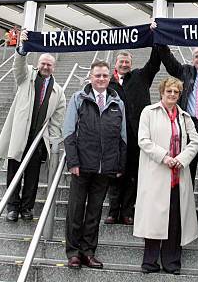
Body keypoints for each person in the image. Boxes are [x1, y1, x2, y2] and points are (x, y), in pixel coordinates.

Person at [0, 30, 66, 222]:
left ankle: (27, 208)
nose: (46, 67)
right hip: (20, 136)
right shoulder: (26, 78)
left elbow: (57, 122)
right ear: (38, 63)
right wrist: (22, 49)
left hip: (38, 141)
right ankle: (12, 207)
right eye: (43, 63)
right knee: (13, 172)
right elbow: (18, 66)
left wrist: (52, 143)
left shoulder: (59, 92)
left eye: (49, 65)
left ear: (54, 68)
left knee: (32, 177)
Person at [133, 77, 198, 275]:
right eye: (169, 91)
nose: (172, 95)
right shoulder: (149, 112)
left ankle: (172, 263)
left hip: (177, 176)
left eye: (176, 92)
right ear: (161, 92)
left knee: (175, 220)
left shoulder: (184, 116)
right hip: (156, 173)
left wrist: (182, 158)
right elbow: (143, 140)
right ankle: (150, 262)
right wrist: (164, 157)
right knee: (153, 219)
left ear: (180, 95)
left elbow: (195, 140)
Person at [63, 60, 127, 270]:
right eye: (97, 75)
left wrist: (119, 164)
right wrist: (72, 161)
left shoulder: (118, 102)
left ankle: (88, 252)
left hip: (105, 167)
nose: (101, 79)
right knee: (75, 211)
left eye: (105, 76)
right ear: (90, 77)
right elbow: (69, 131)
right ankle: (73, 253)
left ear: (111, 78)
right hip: (81, 166)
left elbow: (123, 137)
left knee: (95, 212)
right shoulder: (78, 98)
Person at [105, 47, 161, 226]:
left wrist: (157, 39)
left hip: (138, 137)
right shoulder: (108, 82)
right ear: (115, 64)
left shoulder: (140, 76)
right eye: (121, 62)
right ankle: (113, 211)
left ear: (131, 64)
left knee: (133, 176)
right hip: (114, 139)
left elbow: (154, 63)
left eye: (127, 62)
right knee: (115, 176)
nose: (124, 64)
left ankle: (127, 211)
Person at [158, 44, 198, 185]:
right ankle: (185, 203)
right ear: (192, 59)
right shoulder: (185, 71)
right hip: (189, 126)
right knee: (186, 168)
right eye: (197, 56)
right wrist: (160, 40)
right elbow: (168, 60)